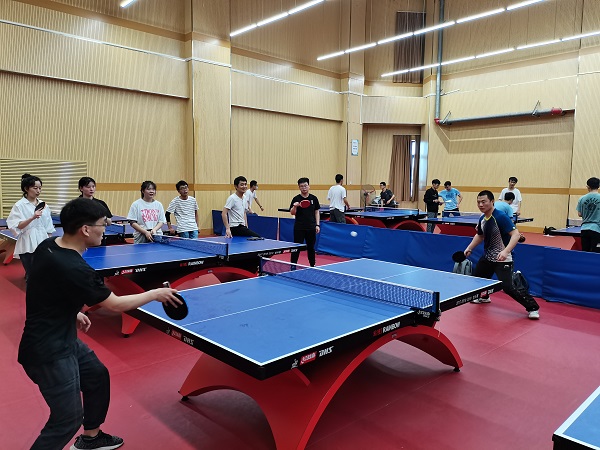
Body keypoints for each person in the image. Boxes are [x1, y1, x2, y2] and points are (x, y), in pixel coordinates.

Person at [18, 198, 181, 450]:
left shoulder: (48, 246)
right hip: (48, 352)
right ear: (85, 229)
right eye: (103, 224)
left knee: (96, 375)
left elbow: (42, 285)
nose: (106, 229)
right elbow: (115, 304)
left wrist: (71, 311)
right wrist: (155, 294)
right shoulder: (76, 268)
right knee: (66, 420)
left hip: (63, 336)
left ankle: (91, 438)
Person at [464, 190, 540, 320]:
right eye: (478, 202)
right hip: (488, 256)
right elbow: (480, 235)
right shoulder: (482, 218)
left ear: (492, 201)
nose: (481, 205)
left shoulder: (500, 217)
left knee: (508, 287)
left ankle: (533, 307)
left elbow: (516, 235)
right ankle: (484, 296)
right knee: (479, 279)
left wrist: (505, 251)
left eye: (484, 202)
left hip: (503, 258)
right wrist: (470, 248)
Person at [7, 174, 55, 277]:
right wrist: (32, 217)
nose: (38, 191)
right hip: (27, 242)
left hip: (42, 240)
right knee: (31, 273)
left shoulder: (44, 205)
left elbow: (48, 226)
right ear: (26, 189)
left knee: (43, 272)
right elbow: (18, 226)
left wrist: (50, 242)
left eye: (40, 188)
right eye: (35, 188)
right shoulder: (19, 205)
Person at [290, 177, 320, 267]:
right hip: (299, 227)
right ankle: (293, 265)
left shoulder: (314, 198)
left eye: (305, 185)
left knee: (311, 248)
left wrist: (317, 225)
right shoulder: (296, 198)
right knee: (296, 248)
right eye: (302, 186)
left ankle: (312, 265)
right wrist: (295, 206)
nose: (304, 188)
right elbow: (292, 212)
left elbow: (316, 212)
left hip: (311, 227)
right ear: (299, 187)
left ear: (309, 186)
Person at [576, 177, 600, 253]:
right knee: (595, 252)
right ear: (598, 186)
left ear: (588, 187)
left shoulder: (582, 198)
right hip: (596, 229)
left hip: (584, 229)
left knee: (585, 252)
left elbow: (579, 214)